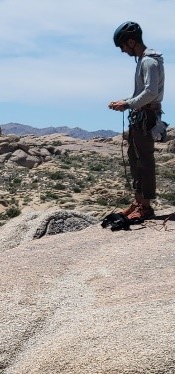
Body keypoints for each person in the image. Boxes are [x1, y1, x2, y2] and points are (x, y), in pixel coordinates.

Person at [108, 21, 166, 223]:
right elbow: (143, 92)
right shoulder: (143, 60)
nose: (123, 51)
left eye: (123, 46)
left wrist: (127, 103)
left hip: (146, 117)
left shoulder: (149, 61)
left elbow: (150, 92)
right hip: (140, 116)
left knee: (145, 162)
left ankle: (146, 207)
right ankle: (139, 201)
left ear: (131, 41)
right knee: (135, 159)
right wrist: (126, 102)